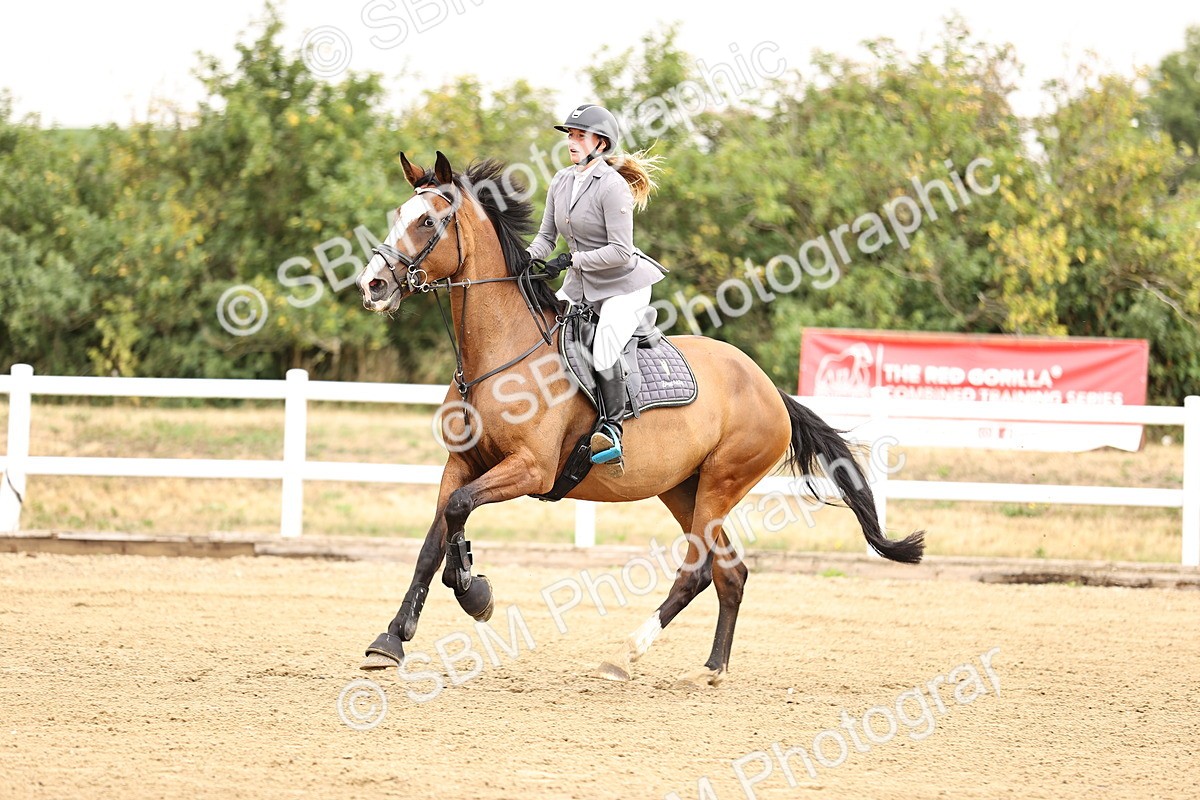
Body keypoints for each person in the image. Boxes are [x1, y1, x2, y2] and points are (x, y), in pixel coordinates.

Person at [525, 103, 665, 478]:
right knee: (544, 335)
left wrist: (571, 260)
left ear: (600, 143)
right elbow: (545, 238)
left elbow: (620, 252)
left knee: (603, 349)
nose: (571, 142)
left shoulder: (613, 186)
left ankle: (612, 431)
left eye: (579, 136)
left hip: (623, 286)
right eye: (570, 135)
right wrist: (523, 258)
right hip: (581, 286)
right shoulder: (561, 181)